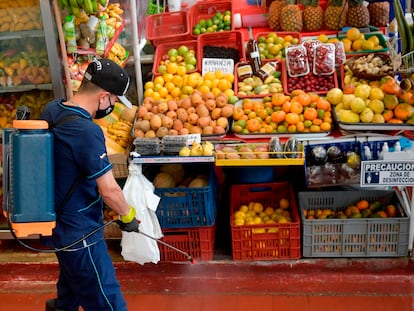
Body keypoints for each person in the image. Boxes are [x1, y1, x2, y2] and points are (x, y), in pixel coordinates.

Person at [40, 58, 139, 311]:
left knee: (71, 290)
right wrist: (128, 215)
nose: (113, 106)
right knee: (108, 301)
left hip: (59, 225)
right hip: (80, 233)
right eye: (115, 100)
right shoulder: (86, 131)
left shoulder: (54, 109)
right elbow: (109, 190)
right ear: (103, 96)